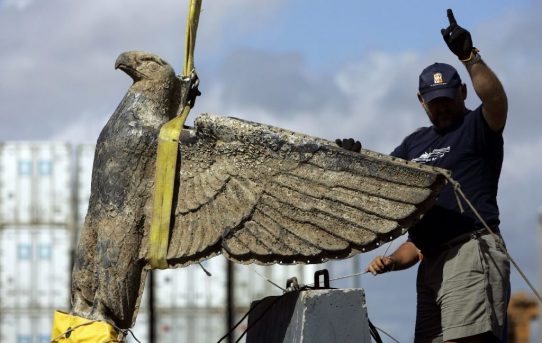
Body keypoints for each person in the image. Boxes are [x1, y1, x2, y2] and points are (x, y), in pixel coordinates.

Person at [337, 9, 510, 343]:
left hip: (469, 252)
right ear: (421, 102)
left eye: (447, 99)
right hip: (430, 265)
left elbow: (496, 99)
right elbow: (385, 189)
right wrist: (350, 161)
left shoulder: (477, 127)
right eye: (434, 102)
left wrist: (469, 56)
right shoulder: (414, 143)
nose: (442, 108)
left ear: (462, 93)